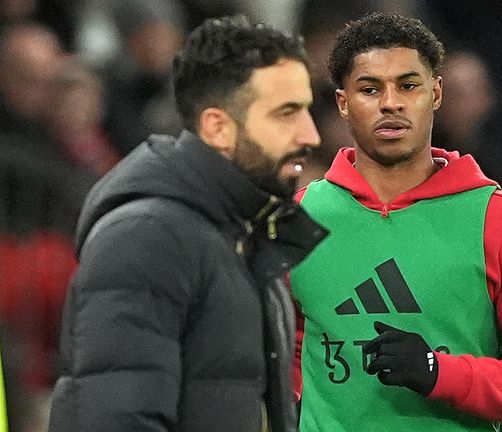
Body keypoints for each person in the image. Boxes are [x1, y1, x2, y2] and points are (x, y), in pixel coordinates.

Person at [289, 12, 502, 431]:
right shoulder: (297, 221)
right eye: (370, 89)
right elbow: (286, 350)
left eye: (408, 85)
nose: (391, 103)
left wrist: (438, 372)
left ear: (436, 93)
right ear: (343, 103)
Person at [48, 15, 326, 432]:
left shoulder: (246, 236)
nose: (311, 134)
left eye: (306, 109)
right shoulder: (147, 238)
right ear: (218, 127)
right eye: (286, 113)